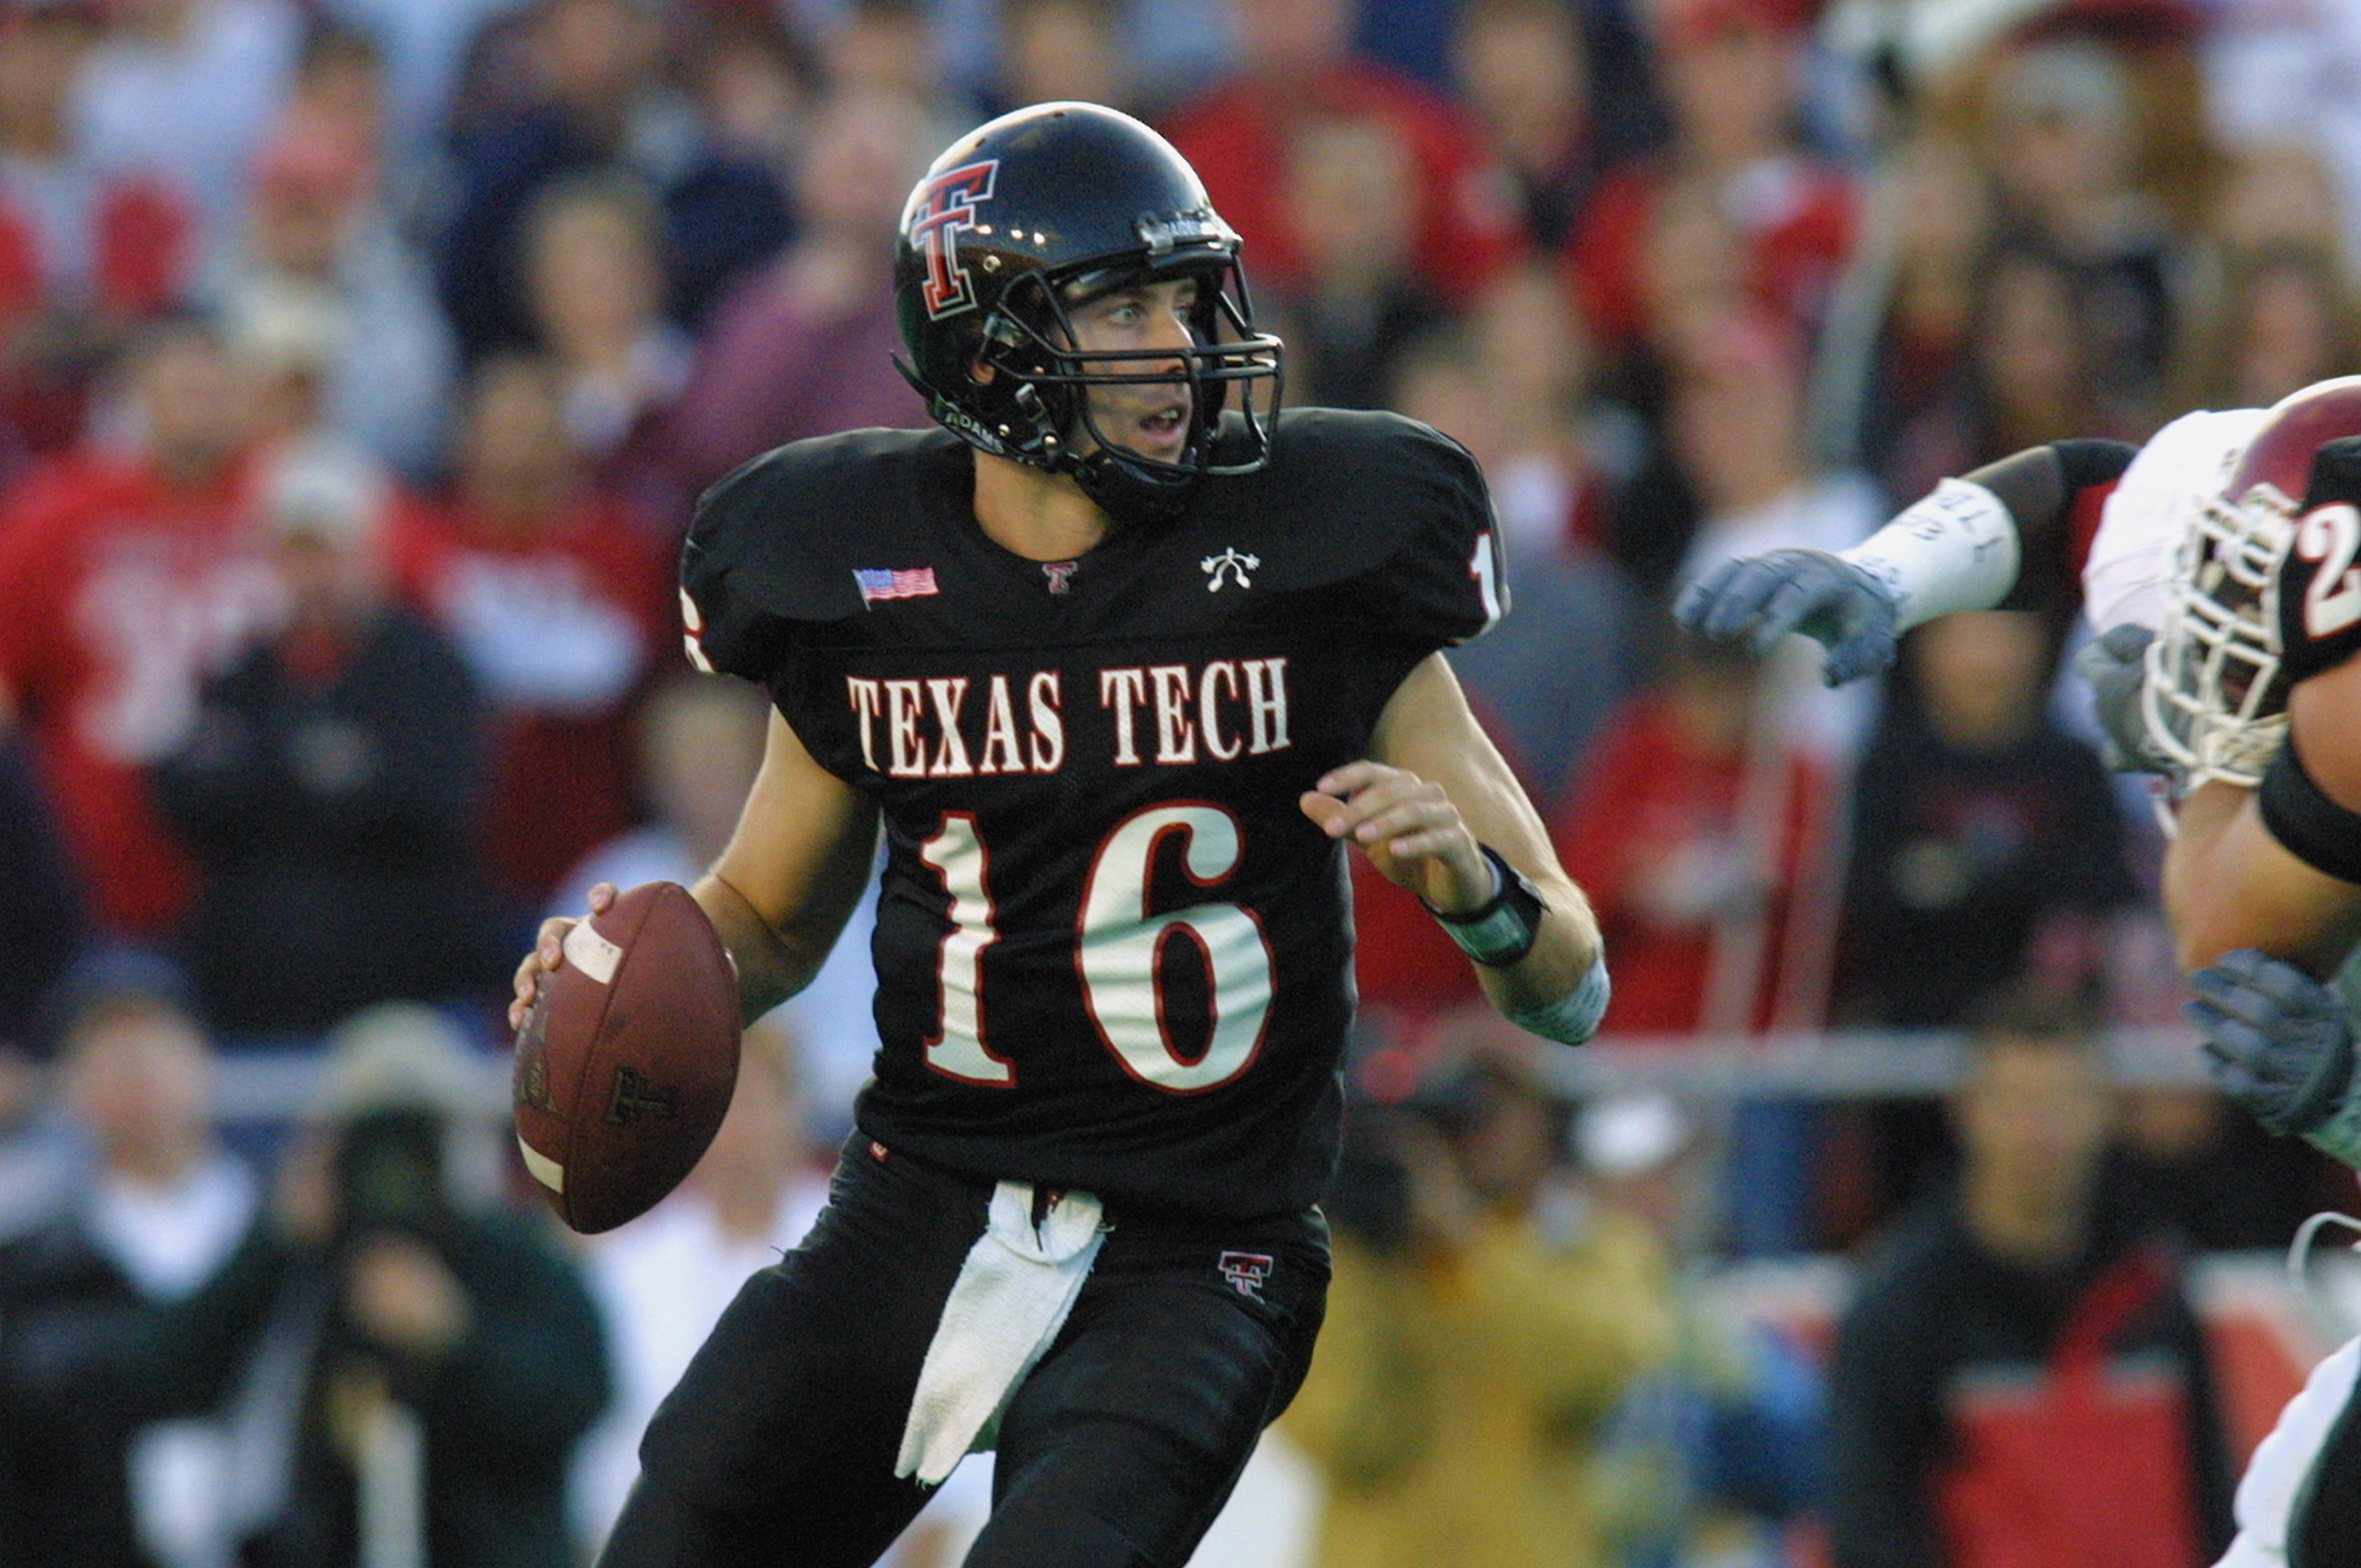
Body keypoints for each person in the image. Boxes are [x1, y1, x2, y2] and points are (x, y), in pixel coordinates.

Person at [512, 101, 1610, 1568]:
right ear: (988, 342)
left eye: (1183, 293)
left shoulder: (1318, 546)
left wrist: (1472, 893)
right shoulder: (851, 574)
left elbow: (1572, 979)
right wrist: (616, 968)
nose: (1177, 341)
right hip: (918, 1201)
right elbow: (767, 922)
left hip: (1200, 1243)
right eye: (1119, 304)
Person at [1826, 992, 2237, 1568]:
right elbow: (1872, 1528)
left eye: (2063, 1100)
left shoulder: (2157, 1284)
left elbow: (2212, 1501)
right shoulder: (1900, 1308)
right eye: (2017, 1102)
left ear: (2104, 1109)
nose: (2040, 1131)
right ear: (1967, 1110)